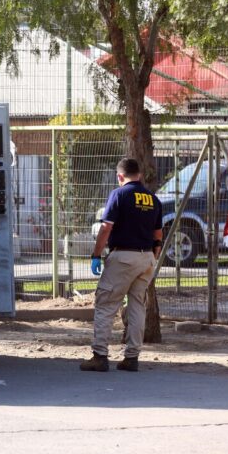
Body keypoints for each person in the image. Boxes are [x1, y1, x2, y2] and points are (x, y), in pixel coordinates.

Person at [81, 158, 163, 373]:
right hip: (146, 258)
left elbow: (106, 228)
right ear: (140, 175)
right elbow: (158, 234)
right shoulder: (153, 199)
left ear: (120, 176)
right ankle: (132, 358)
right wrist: (153, 256)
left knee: (106, 304)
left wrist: (96, 255)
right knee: (137, 306)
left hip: (123, 256)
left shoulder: (119, 194)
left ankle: (100, 356)